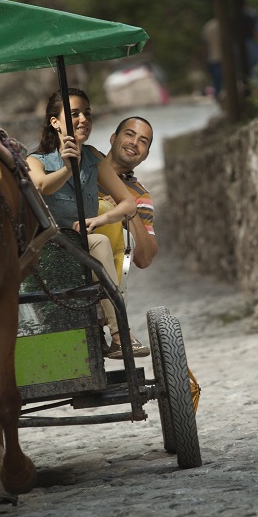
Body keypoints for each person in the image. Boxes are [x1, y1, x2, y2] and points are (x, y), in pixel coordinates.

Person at [26, 88, 149, 359]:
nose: (83, 119)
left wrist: (100, 219)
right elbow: (42, 186)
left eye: (87, 113)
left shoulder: (93, 157)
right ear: (54, 122)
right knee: (101, 242)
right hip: (50, 243)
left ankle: (111, 329)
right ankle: (119, 333)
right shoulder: (36, 161)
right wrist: (68, 167)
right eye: (73, 114)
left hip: (85, 241)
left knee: (100, 240)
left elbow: (128, 203)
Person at [98, 116, 158, 272]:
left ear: (146, 155)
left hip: (102, 276)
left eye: (143, 141)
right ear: (113, 138)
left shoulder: (140, 196)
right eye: (129, 134)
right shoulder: (83, 164)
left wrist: (127, 209)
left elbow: (144, 259)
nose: (134, 143)